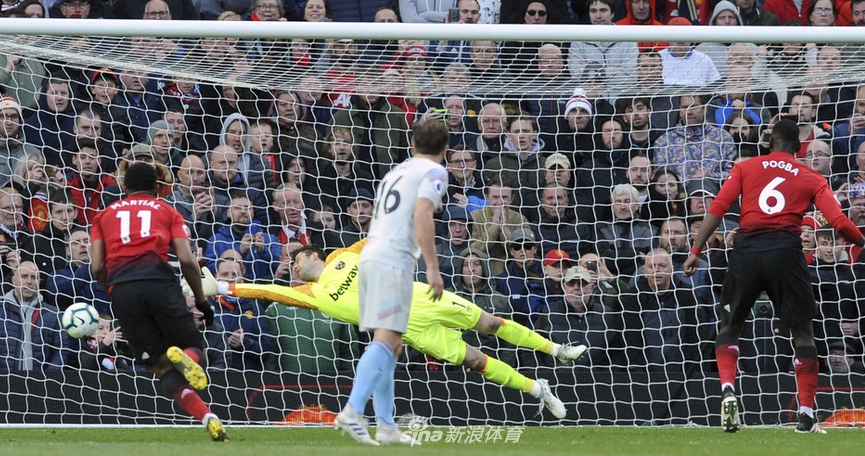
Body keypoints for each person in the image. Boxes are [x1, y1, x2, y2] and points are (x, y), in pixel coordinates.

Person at [205, 239, 580, 419]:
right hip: (407, 328)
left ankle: (556, 350)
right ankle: (538, 390)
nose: (293, 265)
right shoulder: (310, 295)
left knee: (491, 323)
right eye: (291, 264)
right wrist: (221, 286)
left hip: (420, 297)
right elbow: (265, 290)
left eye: (296, 258)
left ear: (314, 255)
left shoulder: (343, 256)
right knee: (475, 361)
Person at [683, 119, 865, 435]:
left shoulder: (745, 167)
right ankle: (805, 415)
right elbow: (837, 221)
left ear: (770, 143)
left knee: (730, 326)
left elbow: (719, 207)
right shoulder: (811, 176)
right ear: (798, 148)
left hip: (747, 250)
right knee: (803, 333)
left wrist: (696, 250)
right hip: (786, 253)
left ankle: (728, 389)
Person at [89, 162, 229, 442]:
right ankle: (188, 359)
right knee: (195, 348)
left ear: (124, 187)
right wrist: (202, 301)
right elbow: (187, 260)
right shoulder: (167, 211)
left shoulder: (103, 215)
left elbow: (97, 268)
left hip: (123, 290)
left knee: (161, 368)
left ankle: (207, 417)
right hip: (160, 284)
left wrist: (114, 290)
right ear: (156, 187)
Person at [333, 118, 450, 445]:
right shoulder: (435, 171)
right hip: (393, 260)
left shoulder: (395, 172)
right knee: (387, 339)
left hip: (371, 255)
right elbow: (422, 213)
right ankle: (353, 410)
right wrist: (432, 267)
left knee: (391, 343)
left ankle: (386, 426)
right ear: (445, 149)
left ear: (412, 145)